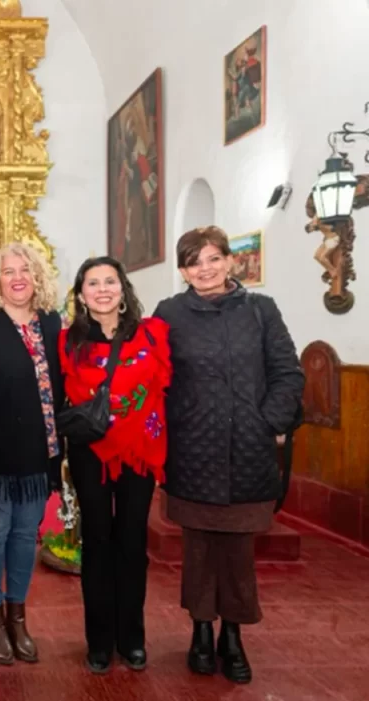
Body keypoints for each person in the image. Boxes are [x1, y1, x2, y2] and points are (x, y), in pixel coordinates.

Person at [154, 227, 304, 684]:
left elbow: (287, 372)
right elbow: (155, 376)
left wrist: (267, 422)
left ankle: (232, 635)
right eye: (194, 261)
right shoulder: (169, 313)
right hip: (192, 449)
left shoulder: (261, 311)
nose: (205, 268)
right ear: (182, 270)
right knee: (198, 548)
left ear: (230, 261)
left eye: (214, 258)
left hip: (247, 450)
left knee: (238, 550)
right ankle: (201, 631)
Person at [58, 256, 171, 675]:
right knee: (98, 543)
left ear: (123, 288)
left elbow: (169, 388)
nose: (102, 289)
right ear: (81, 293)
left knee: (131, 544)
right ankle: (99, 641)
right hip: (91, 455)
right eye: (93, 283)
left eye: (110, 281)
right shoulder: (68, 340)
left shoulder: (154, 334)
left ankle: (133, 638)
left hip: (140, 456)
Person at [0, 243, 64, 665]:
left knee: (25, 536)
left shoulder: (53, 322)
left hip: (40, 453)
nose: (18, 277)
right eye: (8, 271)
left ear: (37, 276)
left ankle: (18, 616)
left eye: (26, 269)